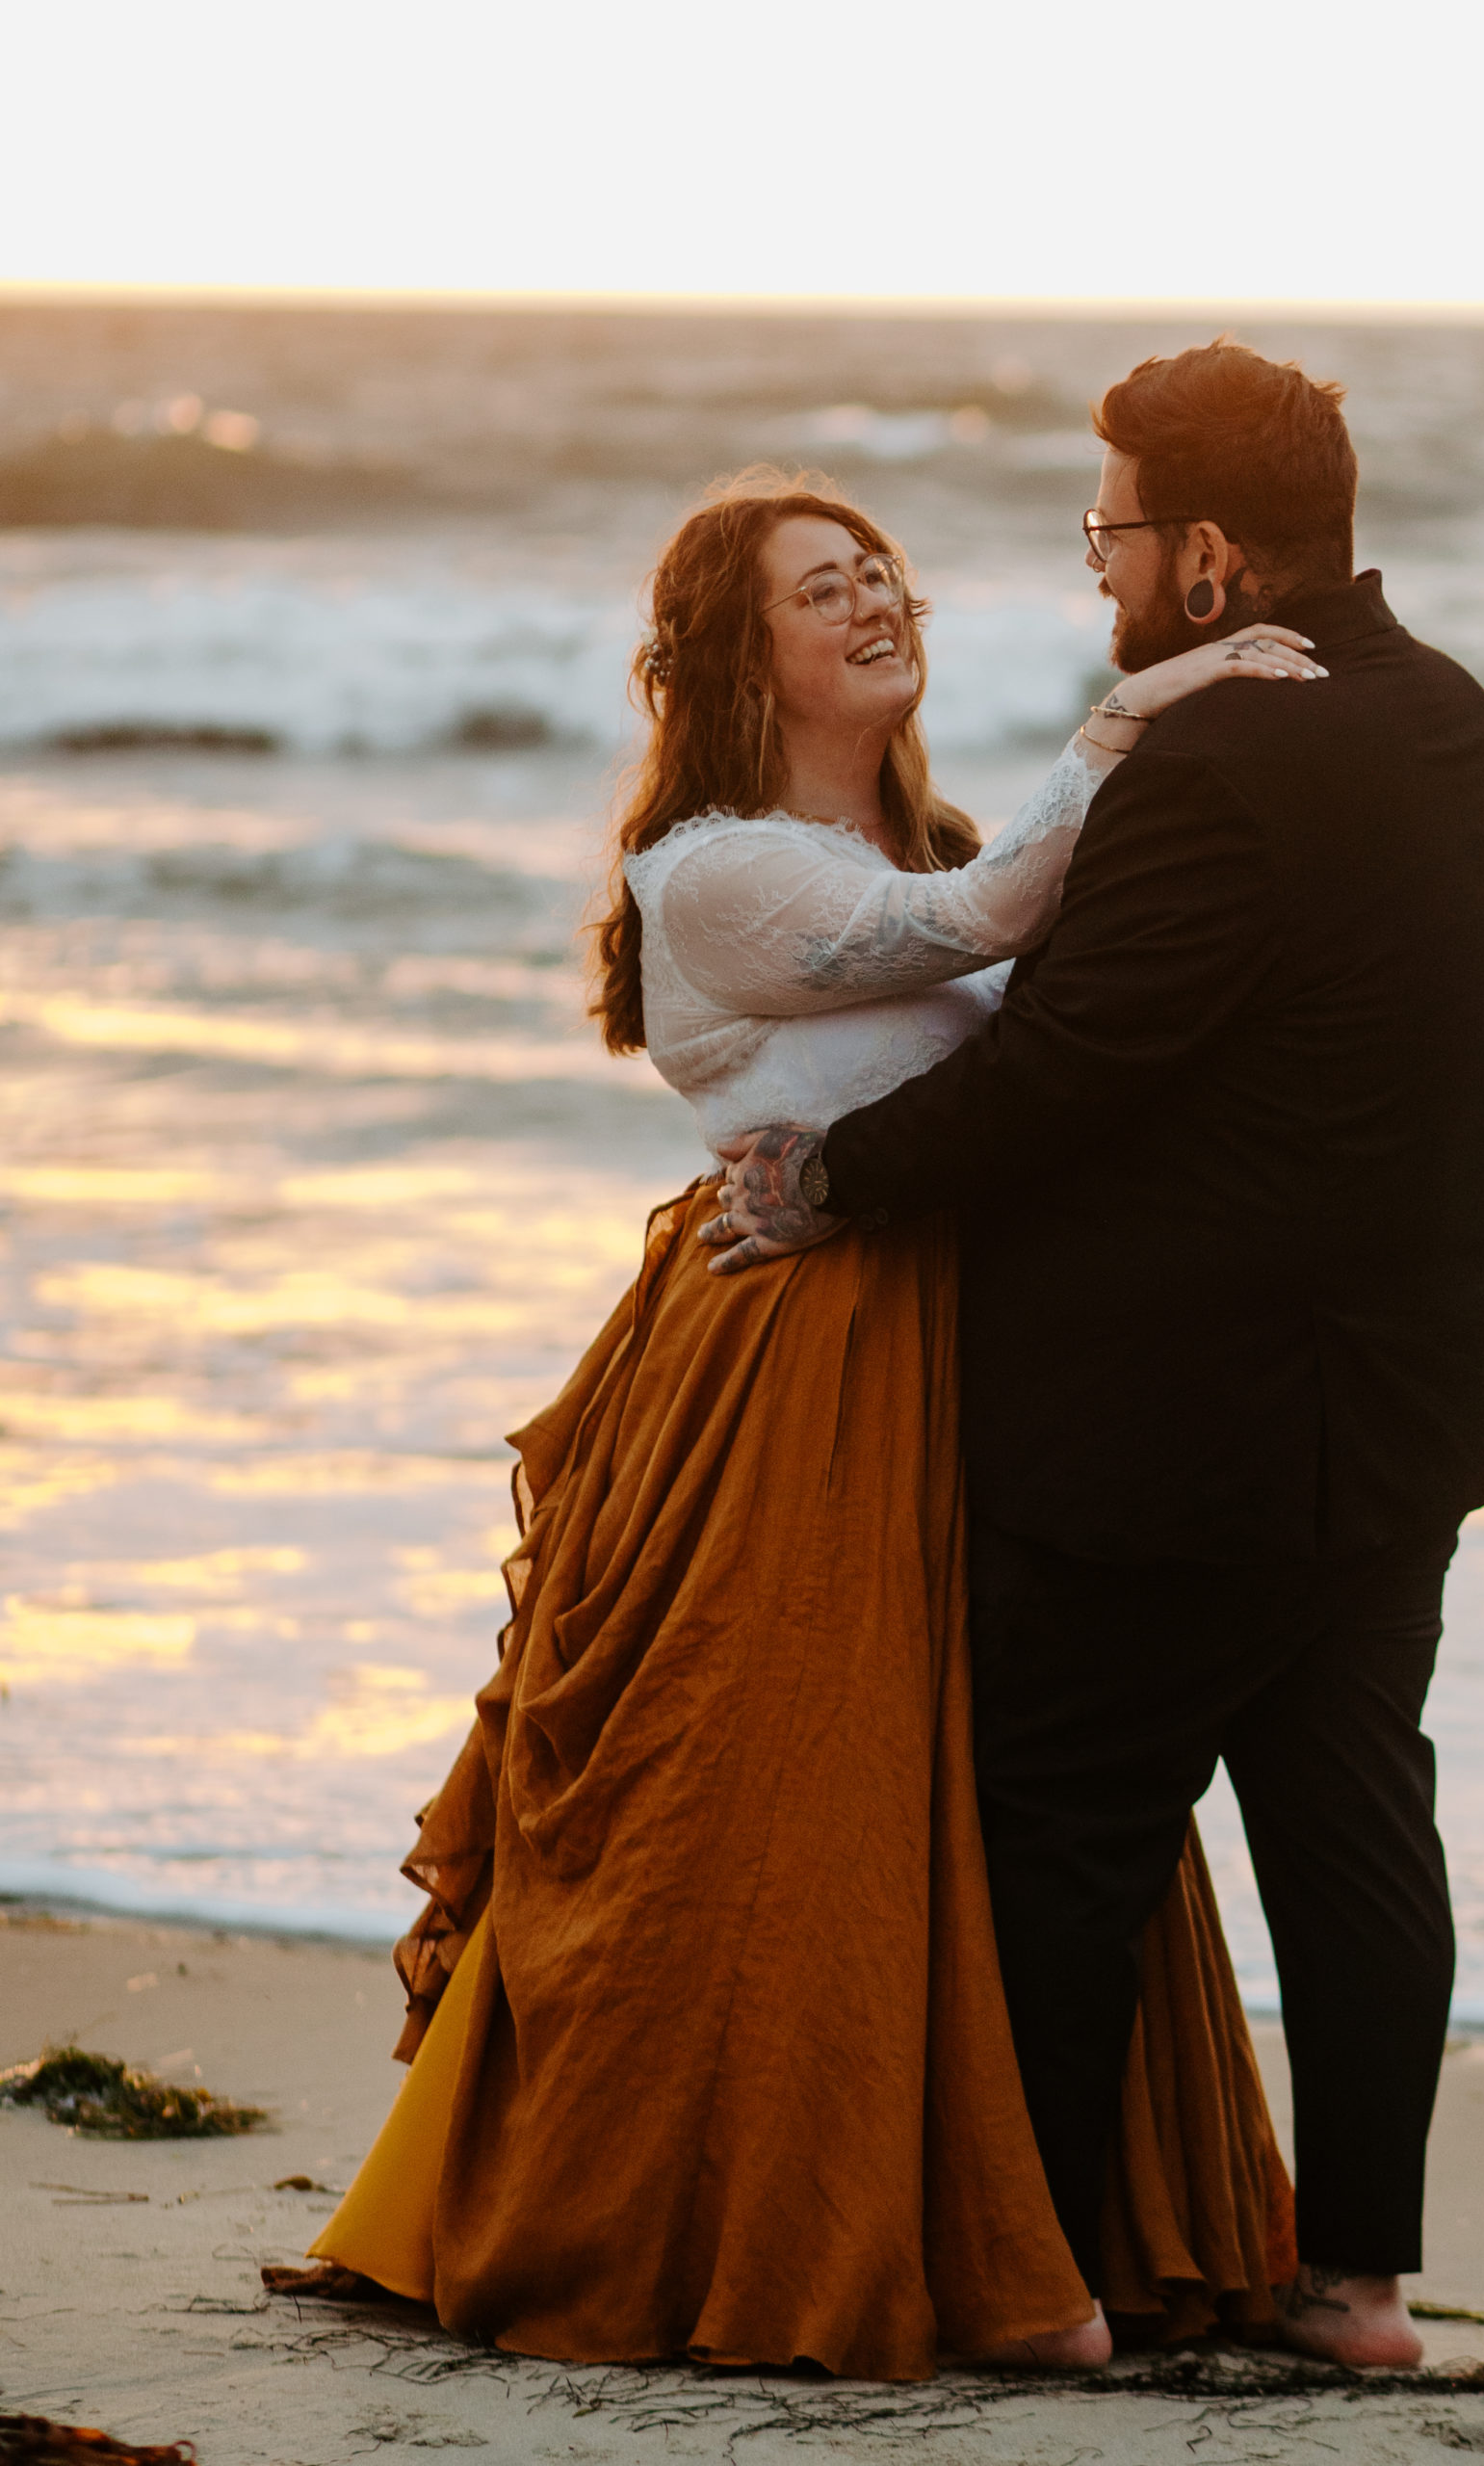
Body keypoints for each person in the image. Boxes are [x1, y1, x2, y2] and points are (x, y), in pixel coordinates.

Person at [297, 468, 1323, 2380]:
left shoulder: (910, 827)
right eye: (823, 586)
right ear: (729, 648)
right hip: (797, 1371)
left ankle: (1035, 2214)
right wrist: (1130, 713)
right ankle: (760, 2209)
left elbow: (1059, 1024)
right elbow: (977, 915)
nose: (876, 603)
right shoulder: (720, 868)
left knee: (1004, 1786)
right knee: (789, 1793)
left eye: (886, 574)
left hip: (965, 1357)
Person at [707, 344, 1484, 2368]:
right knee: (1357, 1819)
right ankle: (1354, 2282)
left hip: (1187, 1420)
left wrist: (834, 1177)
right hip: (1407, 1405)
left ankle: (1052, 2281)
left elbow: (1067, 1066)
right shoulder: (1455, 717)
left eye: (1109, 531)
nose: (1095, 570)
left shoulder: (1223, 760)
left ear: (1202, 558)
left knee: (1066, 1819)